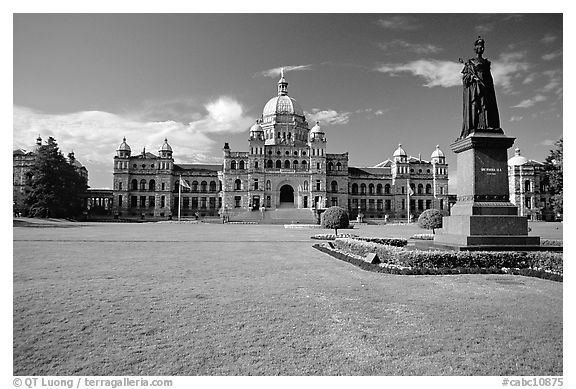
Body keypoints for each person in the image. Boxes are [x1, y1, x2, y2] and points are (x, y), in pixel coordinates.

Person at [460, 36, 501, 139]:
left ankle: (488, 125)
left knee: (486, 105)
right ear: (475, 48)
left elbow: (489, 77)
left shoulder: (486, 63)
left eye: (483, 46)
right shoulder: (471, 62)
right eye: (479, 46)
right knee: (476, 105)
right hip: (475, 88)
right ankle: (475, 125)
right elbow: (465, 77)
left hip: (486, 87)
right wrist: (473, 78)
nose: (481, 48)